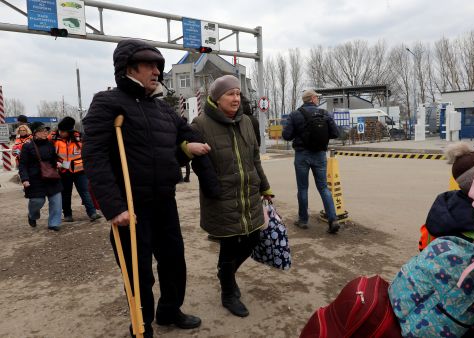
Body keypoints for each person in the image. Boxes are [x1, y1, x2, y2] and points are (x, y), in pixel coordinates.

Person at [82, 39, 214, 337]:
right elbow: (95, 156)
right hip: (131, 205)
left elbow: (184, 135)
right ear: (129, 68)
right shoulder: (107, 102)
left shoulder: (163, 110)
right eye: (149, 65)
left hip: (165, 201)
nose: (157, 71)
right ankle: (141, 323)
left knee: (173, 261)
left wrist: (189, 145)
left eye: (159, 65)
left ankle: (169, 311)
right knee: (138, 271)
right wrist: (113, 207)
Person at [190, 75, 273, 318]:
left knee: (252, 239)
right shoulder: (200, 124)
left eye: (238, 93)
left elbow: (255, 158)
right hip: (222, 199)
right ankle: (227, 291)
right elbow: (190, 160)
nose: (236, 98)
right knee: (229, 246)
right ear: (217, 98)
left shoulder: (247, 121)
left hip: (249, 195)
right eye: (230, 94)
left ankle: (225, 273)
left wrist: (265, 187)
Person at [282, 89, 340, 234]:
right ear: (313, 98)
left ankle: (303, 220)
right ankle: (333, 219)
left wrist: (298, 131)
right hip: (320, 155)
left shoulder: (295, 114)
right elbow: (335, 133)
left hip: (302, 155)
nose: (318, 100)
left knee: (302, 188)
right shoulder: (324, 114)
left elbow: (287, 135)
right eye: (317, 98)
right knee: (323, 187)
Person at [51, 116, 101, 222]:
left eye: (63, 131)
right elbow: (48, 151)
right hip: (64, 170)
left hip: (80, 170)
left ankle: (92, 213)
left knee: (85, 191)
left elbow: (88, 151)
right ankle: (68, 215)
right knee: (66, 193)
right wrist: (55, 162)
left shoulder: (80, 137)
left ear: (69, 131)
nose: (61, 133)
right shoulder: (53, 137)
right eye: (60, 130)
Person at [18, 122, 62, 230]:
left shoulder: (50, 144)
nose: (45, 132)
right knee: (37, 201)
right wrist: (24, 179)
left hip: (51, 177)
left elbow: (54, 158)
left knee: (56, 201)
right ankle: (32, 215)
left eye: (46, 130)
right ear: (35, 133)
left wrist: (57, 162)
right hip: (35, 179)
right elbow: (23, 165)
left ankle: (54, 223)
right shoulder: (27, 146)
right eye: (42, 130)